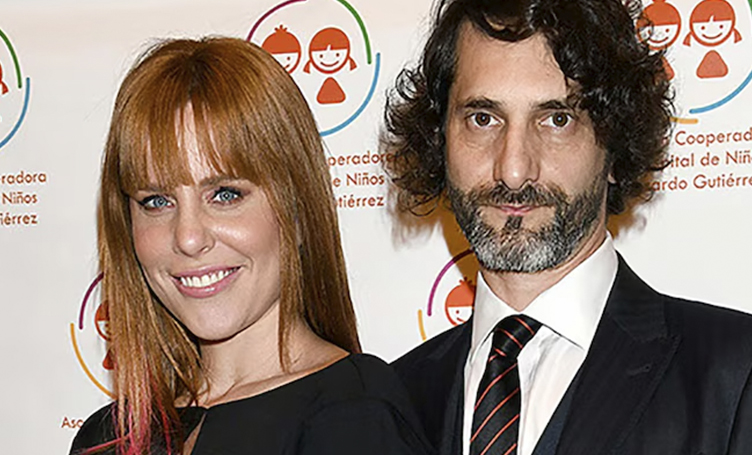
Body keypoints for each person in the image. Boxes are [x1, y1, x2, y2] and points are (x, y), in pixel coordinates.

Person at [384, 0, 752, 454]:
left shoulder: (734, 376)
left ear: (614, 144)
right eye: (483, 119)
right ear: (441, 139)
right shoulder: (392, 400)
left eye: (556, 120)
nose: (513, 170)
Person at [70, 37, 431, 455]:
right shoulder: (107, 437)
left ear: (297, 209)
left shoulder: (355, 415)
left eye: (225, 195)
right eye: (156, 201)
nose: (188, 237)